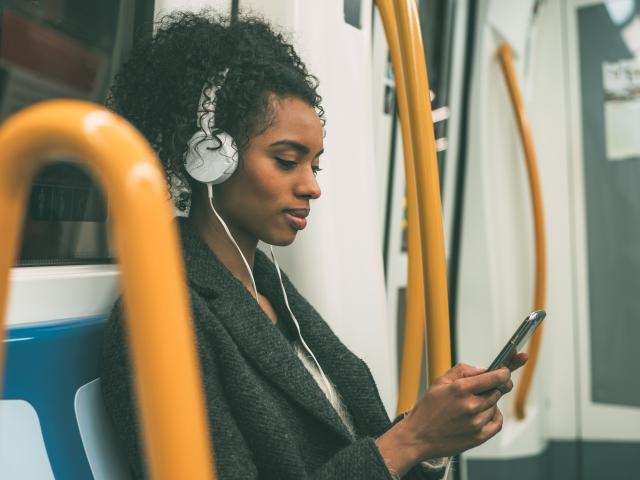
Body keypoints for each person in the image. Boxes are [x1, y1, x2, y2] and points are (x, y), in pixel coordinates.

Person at [101, 10, 527, 480]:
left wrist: (432, 439)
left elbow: (356, 446)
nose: (312, 187)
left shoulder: (269, 286)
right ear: (210, 159)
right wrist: (412, 439)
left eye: (315, 166)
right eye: (287, 161)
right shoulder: (160, 314)